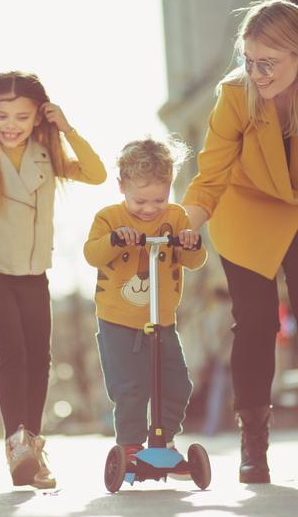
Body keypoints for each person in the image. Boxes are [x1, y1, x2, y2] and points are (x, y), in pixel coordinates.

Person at [181, 0, 298, 485]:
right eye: (249, 60)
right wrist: (185, 223)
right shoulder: (234, 94)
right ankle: (254, 442)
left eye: (269, 62)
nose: (257, 73)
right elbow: (212, 171)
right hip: (247, 207)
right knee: (257, 321)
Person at [0, 70, 107, 488]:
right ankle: (16, 442)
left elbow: (97, 173)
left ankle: (32, 447)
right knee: (12, 349)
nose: (10, 125)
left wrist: (66, 128)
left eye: (21, 115)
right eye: (1, 115)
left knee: (40, 356)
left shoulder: (46, 152)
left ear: (38, 117)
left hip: (34, 270)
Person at [84, 138, 206, 466]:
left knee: (177, 384)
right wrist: (114, 239)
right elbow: (92, 253)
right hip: (118, 320)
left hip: (163, 320)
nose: (150, 209)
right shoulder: (108, 217)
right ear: (122, 185)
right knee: (130, 387)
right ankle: (130, 447)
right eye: (140, 200)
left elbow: (195, 261)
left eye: (159, 199)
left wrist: (192, 243)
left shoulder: (177, 217)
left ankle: (163, 441)